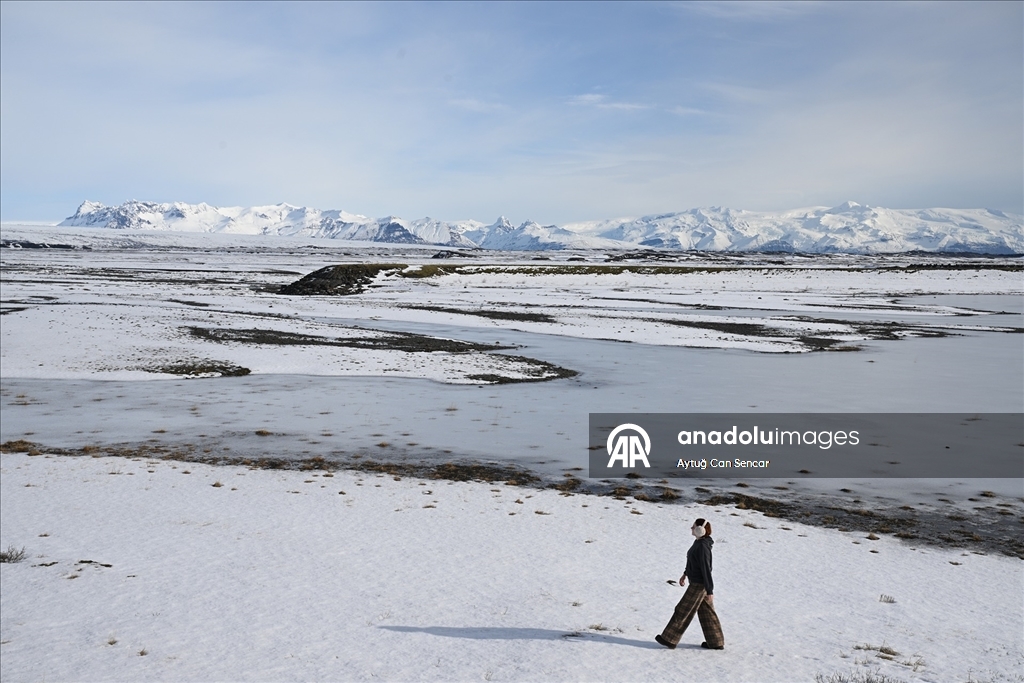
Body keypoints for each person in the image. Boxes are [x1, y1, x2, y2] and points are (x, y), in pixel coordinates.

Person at [655, 517, 725, 650]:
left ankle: (669, 639)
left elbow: (706, 569)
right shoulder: (698, 543)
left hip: (699, 585)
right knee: (707, 613)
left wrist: (709, 590)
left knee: (682, 610)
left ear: (700, 530)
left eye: (693, 527)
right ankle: (716, 642)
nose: (691, 529)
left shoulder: (703, 547)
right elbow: (693, 562)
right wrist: (685, 574)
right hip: (697, 582)